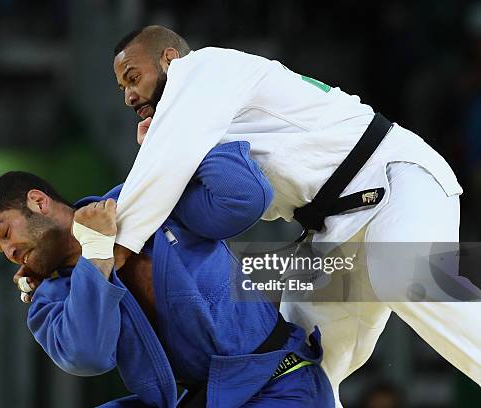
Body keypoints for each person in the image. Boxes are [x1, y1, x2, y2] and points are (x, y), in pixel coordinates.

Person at [108, 25, 480, 406]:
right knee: (297, 365)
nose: (129, 96)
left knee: (407, 277)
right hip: (333, 226)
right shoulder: (204, 122)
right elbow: (194, 182)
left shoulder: (204, 68)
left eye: (133, 78)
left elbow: (164, 163)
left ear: (170, 59)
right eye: (122, 87)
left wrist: (111, 246)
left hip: (395, 178)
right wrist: (162, 148)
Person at [0, 142, 335, 407]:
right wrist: (96, 252)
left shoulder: (141, 201)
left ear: (38, 202)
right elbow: (89, 355)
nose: (9, 252)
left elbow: (246, 199)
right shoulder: (49, 300)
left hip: (281, 380)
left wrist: (184, 140)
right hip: (205, 398)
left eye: (5, 233)